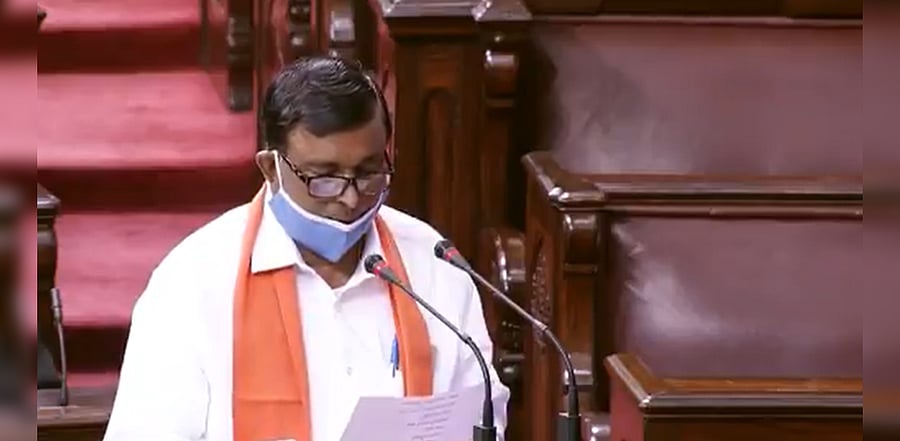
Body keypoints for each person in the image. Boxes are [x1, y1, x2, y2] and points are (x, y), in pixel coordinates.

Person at [103, 56, 510, 441]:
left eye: (369, 172)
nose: (350, 199)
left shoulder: (432, 264)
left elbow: (482, 416)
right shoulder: (195, 280)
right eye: (325, 178)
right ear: (271, 169)